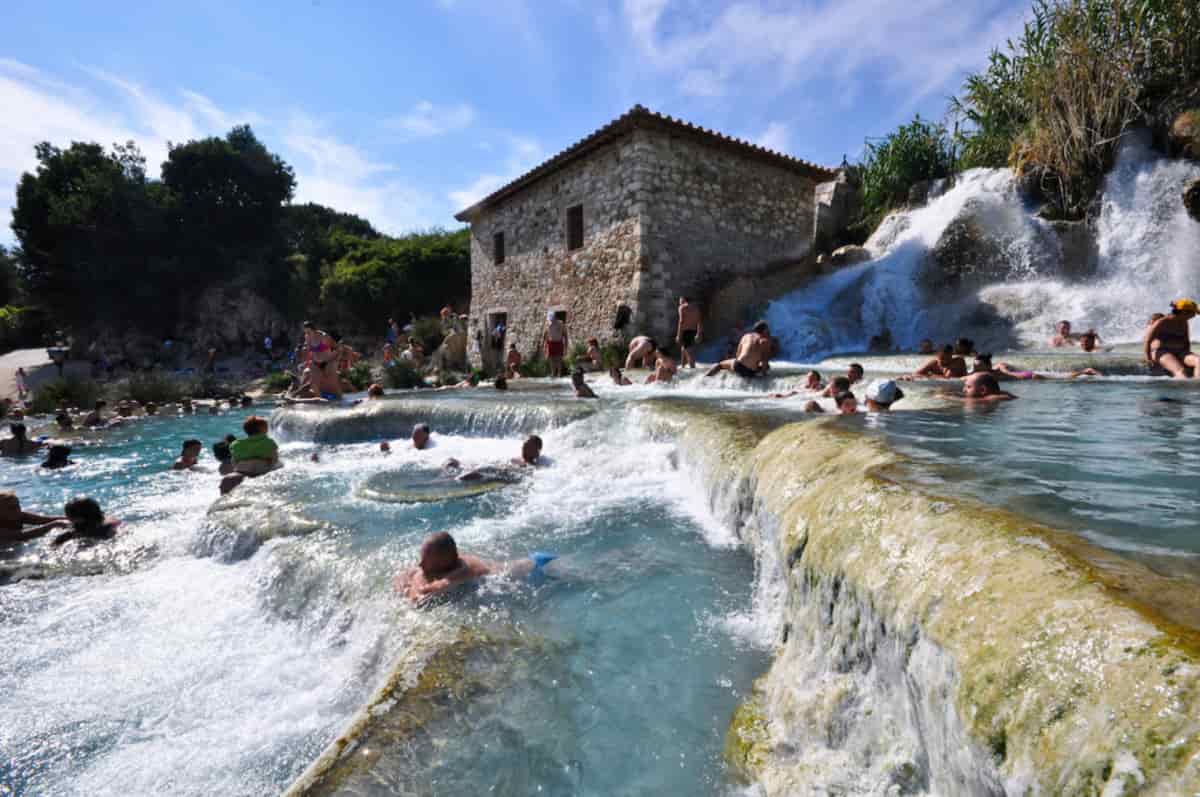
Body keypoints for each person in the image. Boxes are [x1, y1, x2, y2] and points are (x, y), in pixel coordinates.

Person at [392, 532, 497, 602]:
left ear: (442, 564)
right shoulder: (438, 561)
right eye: (422, 558)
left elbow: (422, 596)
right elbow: (403, 577)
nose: (420, 564)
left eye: (426, 561)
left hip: (498, 578)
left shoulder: (465, 570)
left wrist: (412, 591)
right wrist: (402, 581)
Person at [1144, 299, 1199, 379]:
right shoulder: (1162, 322)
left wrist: (1186, 356)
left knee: (1199, 361)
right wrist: (1148, 358)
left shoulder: (1184, 322)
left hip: (1180, 352)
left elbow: (1186, 341)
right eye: (1193, 313)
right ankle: (1184, 385)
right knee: (1181, 371)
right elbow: (1147, 340)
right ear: (1184, 312)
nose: (1194, 316)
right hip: (1162, 352)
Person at [706, 321, 772, 378]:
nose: (769, 331)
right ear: (764, 330)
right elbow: (765, 360)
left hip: (738, 366)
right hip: (750, 371)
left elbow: (738, 354)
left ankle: (705, 379)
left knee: (720, 365)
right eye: (768, 329)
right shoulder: (765, 341)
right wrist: (764, 375)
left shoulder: (746, 336)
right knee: (767, 367)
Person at [0, 491, 68, 544]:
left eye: (18, 506)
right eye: (11, 508)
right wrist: (55, 524)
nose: (17, 510)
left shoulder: (19, 515)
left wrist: (69, 518)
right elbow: (22, 536)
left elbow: (45, 520)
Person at [50, 497, 120, 547]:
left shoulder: (73, 533)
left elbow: (53, 545)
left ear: (78, 519)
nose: (68, 518)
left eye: (68, 516)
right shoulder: (110, 522)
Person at [676, 296, 703, 369]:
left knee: (689, 351)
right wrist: (698, 333)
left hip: (685, 331)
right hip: (693, 331)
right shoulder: (696, 309)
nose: (680, 303)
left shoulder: (682, 308)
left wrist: (678, 335)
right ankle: (683, 366)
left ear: (684, 300)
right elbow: (699, 321)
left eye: (680, 301)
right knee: (684, 348)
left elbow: (681, 321)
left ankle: (693, 368)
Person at [543, 312, 568, 378]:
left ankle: (559, 373)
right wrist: (545, 346)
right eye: (550, 319)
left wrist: (566, 346)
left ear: (555, 317)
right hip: (550, 343)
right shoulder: (548, 324)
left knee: (558, 358)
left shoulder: (561, 324)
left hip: (558, 342)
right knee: (551, 358)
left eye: (552, 318)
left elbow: (565, 335)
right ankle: (553, 373)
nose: (551, 320)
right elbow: (546, 335)